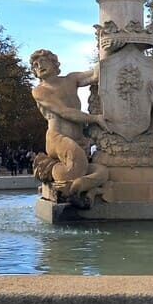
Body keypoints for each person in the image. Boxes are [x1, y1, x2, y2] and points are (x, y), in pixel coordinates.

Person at [29, 49, 110, 196]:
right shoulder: (39, 91)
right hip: (56, 137)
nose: (39, 66)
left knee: (102, 172)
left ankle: (78, 187)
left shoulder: (71, 79)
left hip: (78, 141)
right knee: (75, 169)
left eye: (43, 61)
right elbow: (64, 112)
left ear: (54, 63)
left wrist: (107, 51)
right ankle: (52, 170)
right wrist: (95, 118)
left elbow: (96, 74)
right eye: (35, 65)